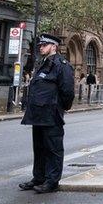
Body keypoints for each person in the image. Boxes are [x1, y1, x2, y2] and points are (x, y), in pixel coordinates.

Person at [18, 33, 75, 194]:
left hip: (51, 113)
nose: (41, 47)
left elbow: (67, 91)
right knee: (39, 148)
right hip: (38, 114)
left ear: (54, 47)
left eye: (44, 45)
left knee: (53, 149)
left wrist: (60, 108)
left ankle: (52, 181)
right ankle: (39, 177)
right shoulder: (42, 63)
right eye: (40, 45)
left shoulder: (61, 65)